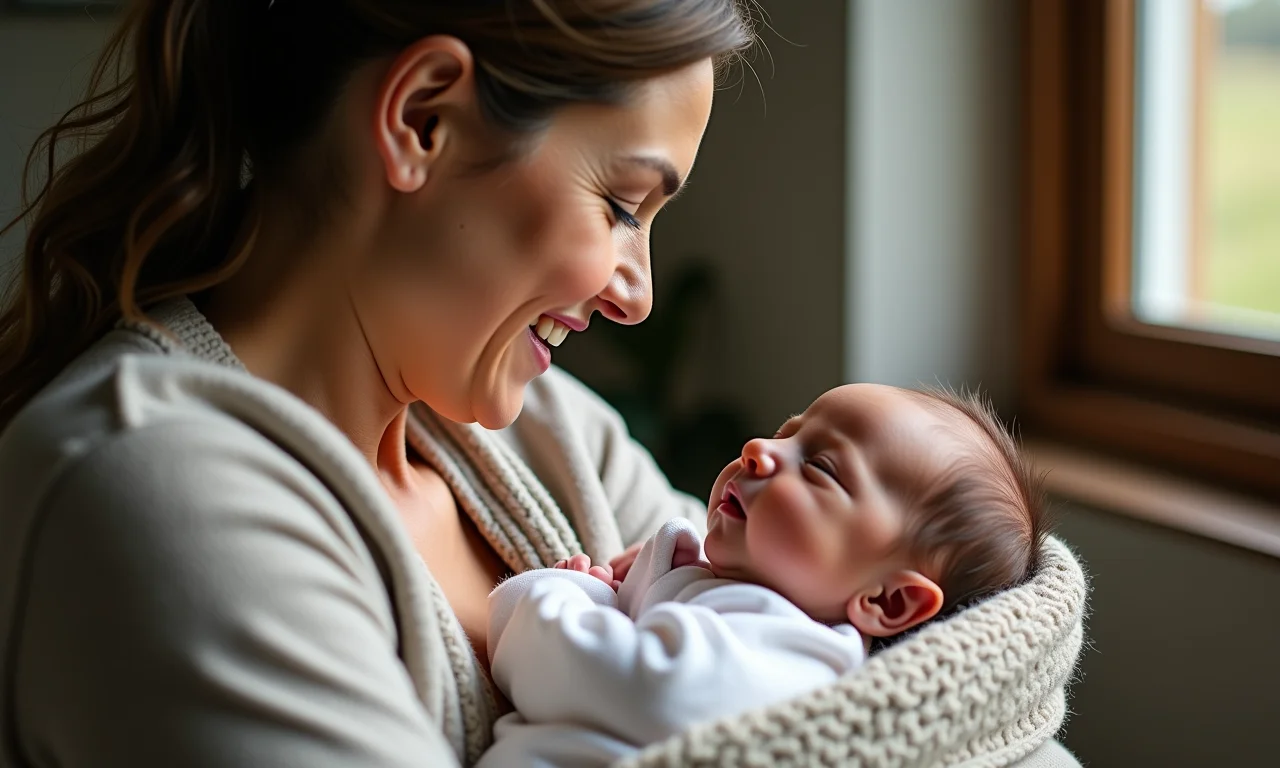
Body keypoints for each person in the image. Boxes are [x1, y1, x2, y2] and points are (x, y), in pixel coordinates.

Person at [0, 1, 754, 766]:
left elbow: (829, 642)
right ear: (423, 118)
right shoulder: (153, 488)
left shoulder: (557, 436)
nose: (638, 296)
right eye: (622, 206)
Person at [479, 384, 1050, 767]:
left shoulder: (794, 652)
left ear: (889, 601)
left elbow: (630, 683)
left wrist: (555, 595)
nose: (758, 449)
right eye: (785, 433)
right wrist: (649, 573)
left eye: (821, 467)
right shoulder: (741, 599)